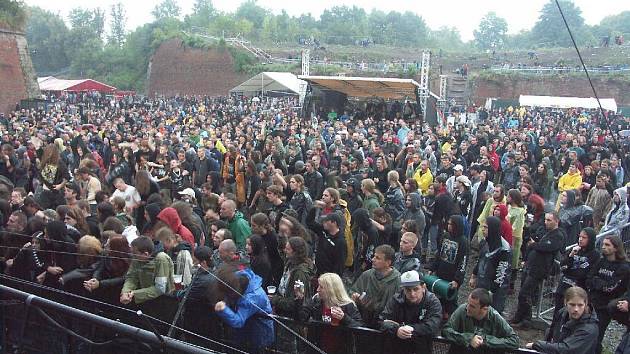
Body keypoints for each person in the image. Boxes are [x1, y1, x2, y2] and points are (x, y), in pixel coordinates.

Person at [512, 211, 565, 328]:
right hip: (530, 264)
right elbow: (533, 241)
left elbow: (545, 247)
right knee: (523, 293)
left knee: (525, 293)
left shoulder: (558, 235)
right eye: (545, 219)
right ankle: (520, 316)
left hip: (540, 269)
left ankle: (526, 320)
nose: (546, 222)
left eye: (549, 220)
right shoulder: (543, 231)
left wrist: (534, 244)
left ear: (557, 221)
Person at [294, 272, 364, 354]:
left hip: (340, 349)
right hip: (317, 348)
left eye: (321, 287)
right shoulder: (316, 301)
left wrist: (344, 318)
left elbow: (360, 328)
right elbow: (300, 319)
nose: (317, 289)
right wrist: (299, 299)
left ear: (331, 289)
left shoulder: (348, 305)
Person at [214, 265, 275, 353]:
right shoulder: (241, 277)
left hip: (259, 335)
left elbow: (238, 321)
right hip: (247, 331)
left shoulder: (252, 299)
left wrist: (223, 309)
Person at [379, 270, 442, 354]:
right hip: (396, 347)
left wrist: (411, 329)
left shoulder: (433, 302)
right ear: (403, 289)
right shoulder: (396, 299)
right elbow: (382, 321)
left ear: (423, 287)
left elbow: (433, 326)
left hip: (421, 348)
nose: (412, 294)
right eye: (408, 290)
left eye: (416, 289)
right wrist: (396, 330)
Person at [586, 235, 630, 353]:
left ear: (616, 248)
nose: (603, 247)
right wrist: (599, 284)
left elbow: (610, 287)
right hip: (592, 302)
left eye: (607, 245)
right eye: (603, 244)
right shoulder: (601, 261)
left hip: (605, 307)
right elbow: (589, 279)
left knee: (596, 337)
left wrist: (597, 282)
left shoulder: (624, 267)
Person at [442, 288, 520, 353]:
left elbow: (514, 341)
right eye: (468, 303)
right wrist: (469, 338)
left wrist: (485, 341)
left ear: (484, 309)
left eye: (472, 306)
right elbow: (446, 330)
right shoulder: (462, 310)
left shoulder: (495, 317)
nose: (467, 308)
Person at [526, 286, 599, 354]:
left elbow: (567, 350)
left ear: (586, 304)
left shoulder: (589, 329)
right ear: (565, 303)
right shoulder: (562, 313)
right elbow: (551, 334)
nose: (576, 309)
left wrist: (537, 345)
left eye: (580, 305)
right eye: (572, 305)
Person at [554, 228, 600, 319]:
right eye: (579, 236)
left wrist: (569, 270)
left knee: (570, 316)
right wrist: (571, 255)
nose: (580, 239)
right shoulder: (574, 249)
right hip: (564, 286)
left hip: (578, 289)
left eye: (584, 237)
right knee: (557, 314)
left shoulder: (595, 255)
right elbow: (563, 266)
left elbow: (583, 273)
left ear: (590, 239)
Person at [350, 244, 401, 327]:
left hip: (384, 325)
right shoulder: (367, 275)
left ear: (388, 262)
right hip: (362, 321)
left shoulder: (397, 280)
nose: (373, 259)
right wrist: (354, 297)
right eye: (374, 256)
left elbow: (396, 307)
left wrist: (372, 305)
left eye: (378, 258)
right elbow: (353, 292)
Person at [428, 215, 469, 316]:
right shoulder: (445, 236)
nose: (449, 226)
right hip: (441, 271)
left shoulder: (463, 241)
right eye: (448, 223)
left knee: (450, 299)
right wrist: (432, 268)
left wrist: (457, 279)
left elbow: (463, 262)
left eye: (451, 224)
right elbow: (439, 253)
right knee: (438, 294)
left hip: (452, 275)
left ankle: (452, 317)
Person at [469, 216, 511, 314]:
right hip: (482, 282)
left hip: (495, 291)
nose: (483, 229)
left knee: (490, 315)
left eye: (486, 227)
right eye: (482, 227)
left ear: (493, 228)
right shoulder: (485, 242)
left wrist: (491, 292)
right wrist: (474, 275)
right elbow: (481, 259)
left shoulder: (504, 249)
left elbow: (501, 274)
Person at [120, 236, 175, 305]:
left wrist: (135, 294)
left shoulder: (161, 259)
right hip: (145, 297)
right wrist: (126, 291)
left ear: (145, 254)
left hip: (163, 300)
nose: (132, 256)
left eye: (134, 253)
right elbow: (132, 277)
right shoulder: (137, 258)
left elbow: (160, 288)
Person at [271, 237, 316, 316]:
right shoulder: (289, 263)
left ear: (296, 252)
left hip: (291, 317)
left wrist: (275, 300)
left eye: (288, 249)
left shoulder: (300, 273)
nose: (285, 251)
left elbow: (294, 302)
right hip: (281, 310)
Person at [306, 208, 346, 277]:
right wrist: (314, 208)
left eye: (326, 221)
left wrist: (332, 279)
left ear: (334, 223)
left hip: (328, 276)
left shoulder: (340, 242)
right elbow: (309, 223)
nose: (323, 223)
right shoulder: (323, 231)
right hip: (317, 271)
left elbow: (339, 264)